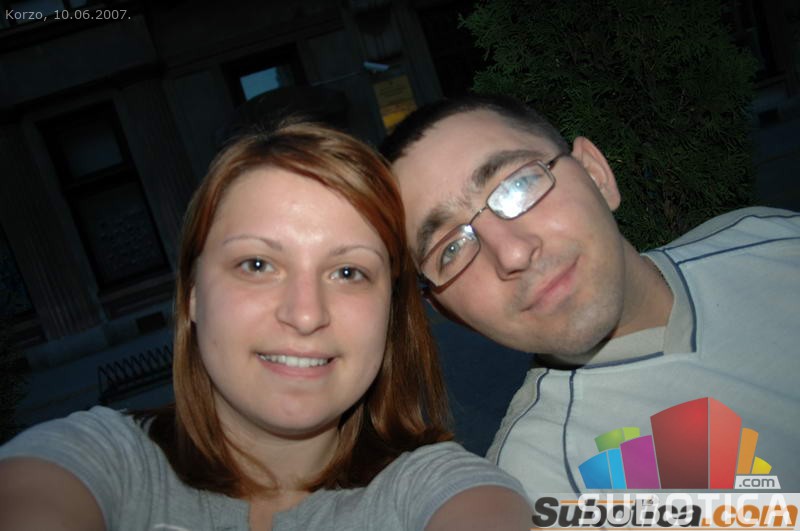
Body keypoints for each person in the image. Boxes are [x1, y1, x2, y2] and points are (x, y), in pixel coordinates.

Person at [0, 117, 533, 530]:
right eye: (256, 265)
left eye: (349, 272)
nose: (305, 314)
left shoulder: (440, 488)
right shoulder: (100, 460)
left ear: (390, 316)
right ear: (192, 295)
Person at [381, 94, 800, 497]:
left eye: (517, 185)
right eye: (451, 249)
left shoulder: (773, 240)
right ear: (451, 313)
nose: (512, 253)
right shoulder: (549, 486)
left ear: (596, 175)